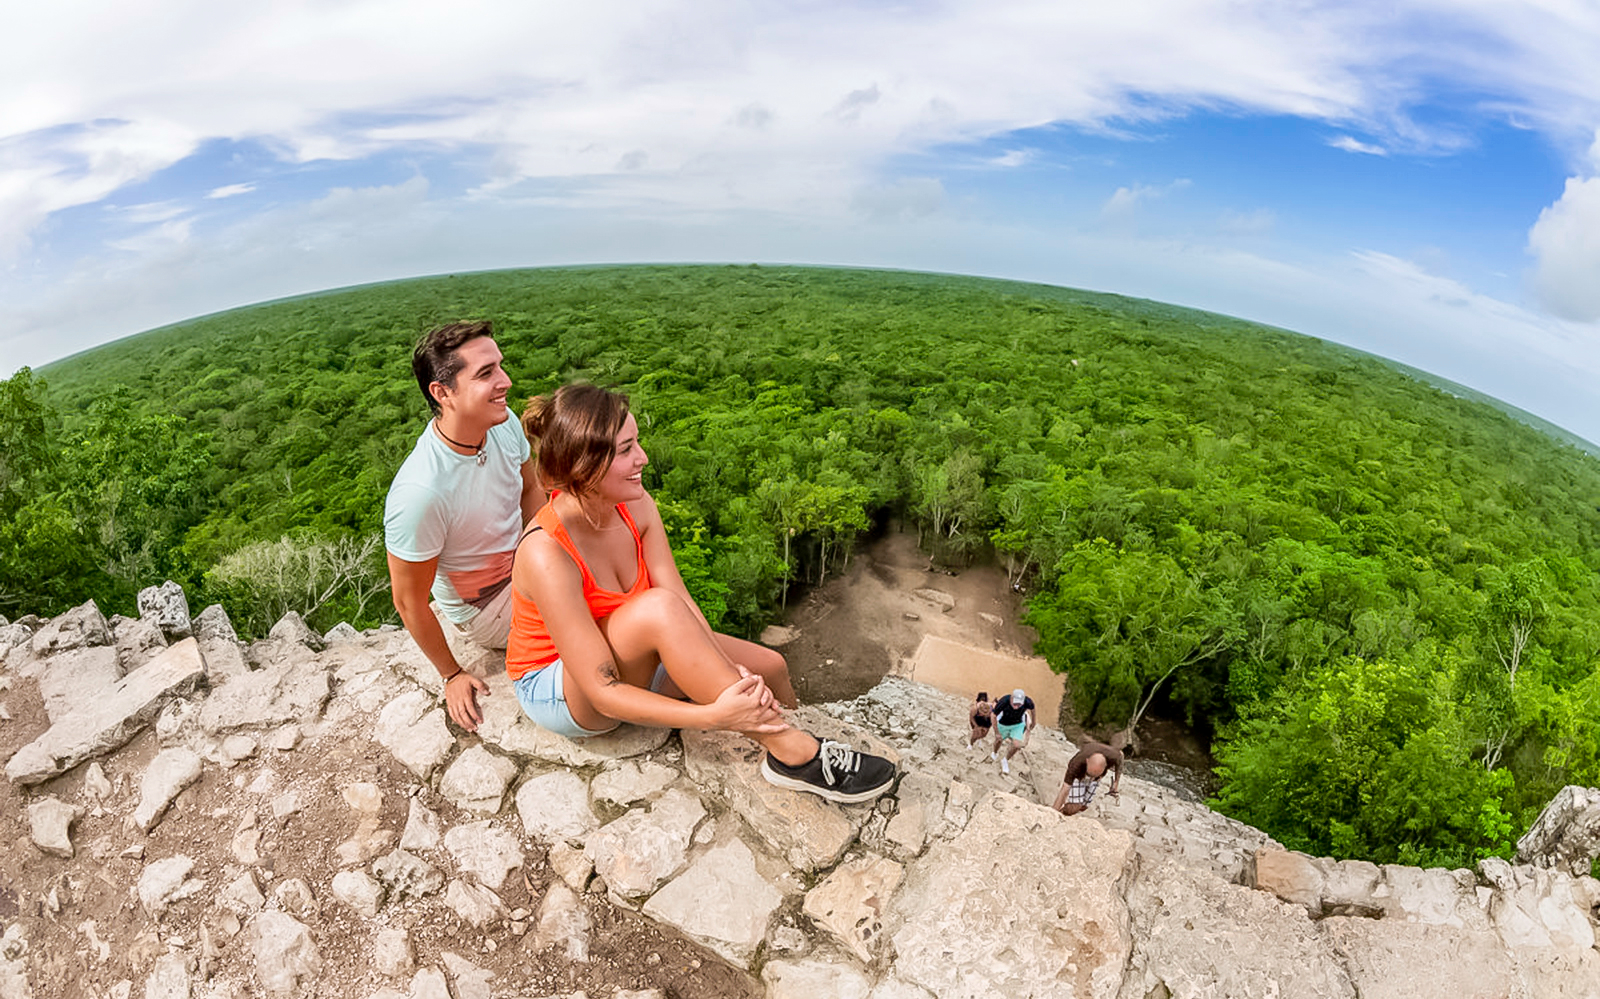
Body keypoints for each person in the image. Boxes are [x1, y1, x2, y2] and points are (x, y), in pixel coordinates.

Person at [506, 384, 896, 804]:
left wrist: (732, 671)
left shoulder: (634, 506)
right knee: (657, 609)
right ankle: (794, 755)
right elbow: (601, 689)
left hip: (631, 653)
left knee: (770, 664)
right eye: (625, 450)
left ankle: (786, 729)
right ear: (584, 467)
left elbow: (682, 602)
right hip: (562, 687)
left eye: (636, 443)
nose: (643, 458)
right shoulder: (546, 551)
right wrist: (711, 716)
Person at [384, 321, 545, 733]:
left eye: (500, 367)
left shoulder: (502, 423)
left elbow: (531, 489)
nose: (505, 382)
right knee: (607, 604)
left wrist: (547, 549)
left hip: (527, 559)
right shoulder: (422, 491)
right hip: (486, 605)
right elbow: (408, 601)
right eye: (486, 373)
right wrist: (451, 673)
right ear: (443, 393)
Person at [1053, 741, 1123, 816]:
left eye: (1095, 776)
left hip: (1096, 777)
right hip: (1080, 775)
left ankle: (1095, 777)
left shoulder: (1114, 756)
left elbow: (1121, 756)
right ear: (1087, 761)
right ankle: (1061, 813)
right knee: (1075, 806)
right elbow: (1065, 789)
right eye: (1091, 775)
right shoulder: (1076, 764)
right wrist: (1053, 812)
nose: (1091, 778)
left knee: (1084, 806)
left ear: (1105, 765)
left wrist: (1116, 783)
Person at [991, 688, 1035, 775]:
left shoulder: (1027, 701)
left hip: (1017, 724)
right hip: (1003, 723)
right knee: (998, 740)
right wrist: (996, 732)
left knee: (1016, 745)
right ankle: (995, 752)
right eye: (1015, 703)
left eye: (1019, 704)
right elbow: (993, 715)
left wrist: (1034, 721)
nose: (1016, 706)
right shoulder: (1004, 701)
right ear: (1011, 698)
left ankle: (1005, 760)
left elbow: (1033, 709)